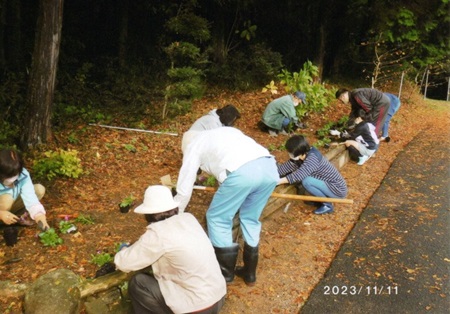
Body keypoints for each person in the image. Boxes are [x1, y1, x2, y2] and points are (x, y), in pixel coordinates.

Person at [175, 127, 279, 286]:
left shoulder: (193, 145)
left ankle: (225, 274)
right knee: (250, 218)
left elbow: (184, 187)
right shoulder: (224, 132)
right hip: (269, 167)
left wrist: (175, 213)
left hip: (243, 173)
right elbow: (226, 165)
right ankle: (250, 273)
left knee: (217, 218)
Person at [114, 185, 226, 314]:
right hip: (218, 296)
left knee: (138, 283)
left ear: (148, 214)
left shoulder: (158, 234)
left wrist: (123, 250)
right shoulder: (189, 219)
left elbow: (124, 263)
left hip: (198, 307)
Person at [277, 135, 348, 215]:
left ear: (298, 152)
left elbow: (298, 176)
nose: (289, 154)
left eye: (290, 152)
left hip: (337, 189)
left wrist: (277, 181)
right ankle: (322, 199)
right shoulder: (301, 156)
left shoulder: (312, 158)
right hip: (327, 184)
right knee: (307, 180)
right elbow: (285, 168)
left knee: (307, 181)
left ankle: (328, 205)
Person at [0, 149, 50, 231]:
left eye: (15, 174)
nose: (12, 178)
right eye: (9, 175)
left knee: (38, 189)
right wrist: (1, 214)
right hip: (2, 206)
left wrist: (40, 216)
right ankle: (3, 221)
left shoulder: (23, 175)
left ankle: (15, 218)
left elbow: (30, 198)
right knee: (7, 199)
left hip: (12, 205)